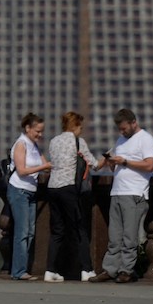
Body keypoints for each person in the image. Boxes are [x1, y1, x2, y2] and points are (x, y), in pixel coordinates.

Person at [43, 110, 101, 282]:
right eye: (80, 126)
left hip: (53, 187)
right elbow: (93, 163)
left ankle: (50, 270)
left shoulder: (54, 141)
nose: (81, 129)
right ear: (74, 126)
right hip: (69, 188)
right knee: (79, 229)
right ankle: (86, 269)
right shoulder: (78, 142)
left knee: (57, 230)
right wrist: (107, 160)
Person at [99, 108, 153, 283]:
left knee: (129, 236)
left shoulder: (146, 139)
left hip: (134, 192)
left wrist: (124, 161)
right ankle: (110, 268)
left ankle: (126, 270)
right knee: (114, 235)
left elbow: (149, 165)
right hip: (117, 191)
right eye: (120, 129)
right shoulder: (121, 140)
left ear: (133, 123)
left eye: (124, 128)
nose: (122, 132)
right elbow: (116, 163)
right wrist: (112, 162)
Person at [5, 113, 51, 281]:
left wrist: (49, 166)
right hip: (19, 190)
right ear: (28, 128)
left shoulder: (34, 146)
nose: (40, 134)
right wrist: (43, 167)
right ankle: (18, 271)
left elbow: (45, 165)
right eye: (37, 131)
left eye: (41, 131)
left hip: (31, 191)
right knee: (22, 232)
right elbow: (22, 170)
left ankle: (22, 268)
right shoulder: (21, 144)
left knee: (30, 232)